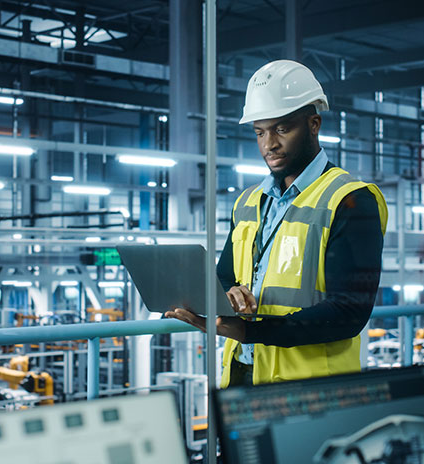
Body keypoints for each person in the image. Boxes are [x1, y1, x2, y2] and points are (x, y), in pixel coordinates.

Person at [165, 60, 387, 387]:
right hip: (243, 375)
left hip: (311, 390)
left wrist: (249, 330)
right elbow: (225, 275)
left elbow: (348, 314)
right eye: (260, 132)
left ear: (314, 124)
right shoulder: (248, 202)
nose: (269, 144)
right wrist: (229, 295)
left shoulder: (350, 200)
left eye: (282, 129)